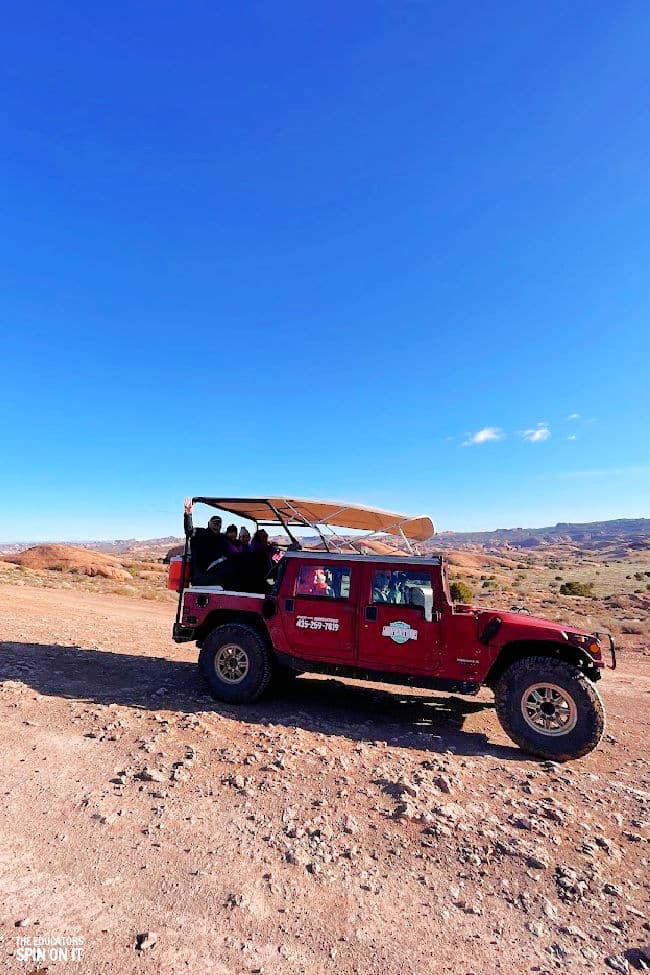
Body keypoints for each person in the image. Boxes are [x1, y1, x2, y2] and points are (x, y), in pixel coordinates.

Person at [183, 498, 229, 575]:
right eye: (215, 523)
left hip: (220, 570)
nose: (218, 525)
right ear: (209, 523)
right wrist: (188, 514)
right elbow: (189, 531)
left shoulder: (222, 538)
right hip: (205, 572)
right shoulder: (201, 533)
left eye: (219, 523)